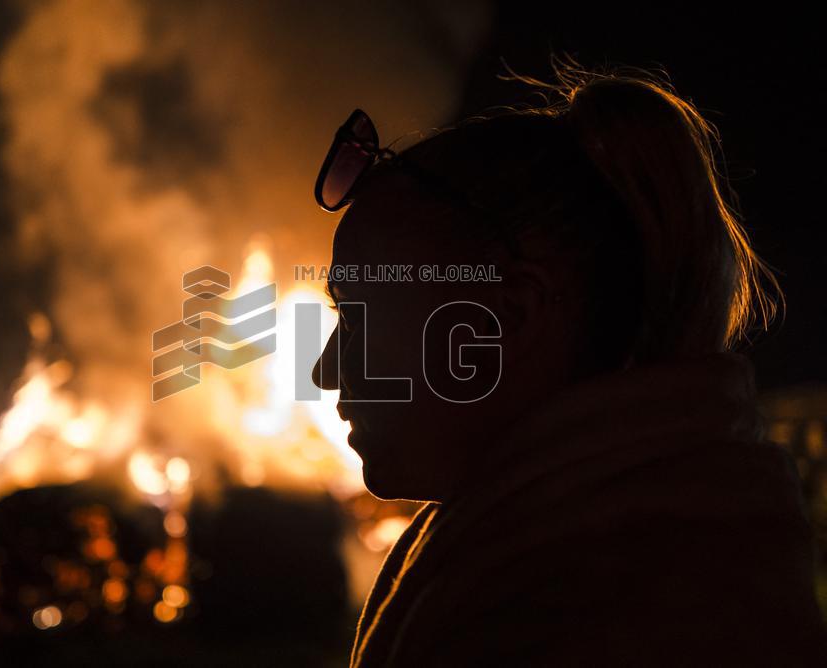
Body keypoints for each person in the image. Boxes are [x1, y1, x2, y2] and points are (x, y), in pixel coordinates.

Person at [311, 60, 827, 666]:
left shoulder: (600, 620)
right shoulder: (610, 558)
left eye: (363, 314)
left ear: (513, 315)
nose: (326, 369)